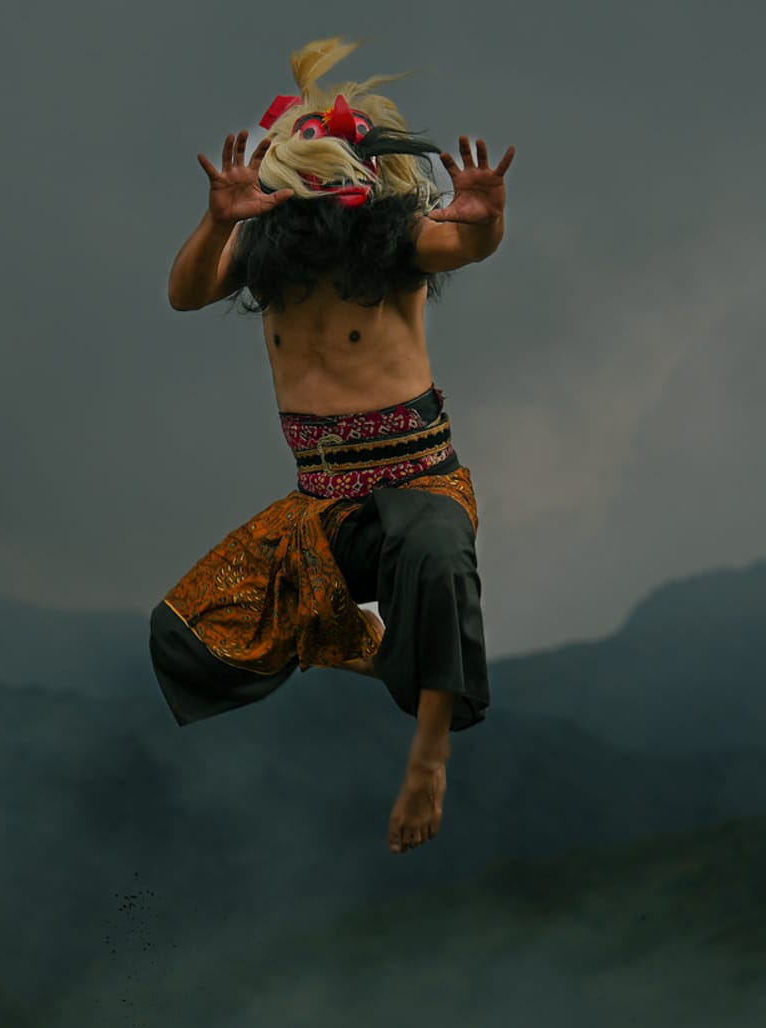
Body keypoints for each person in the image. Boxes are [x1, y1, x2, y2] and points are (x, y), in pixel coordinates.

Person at [153, 37, 516, 854]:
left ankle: (429, 755)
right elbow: (183, 293)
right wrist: (216, 221)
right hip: (319, 508)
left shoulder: (396, 241)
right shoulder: (260, 253)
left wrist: (489, 218)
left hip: (421, 487)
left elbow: (464, 244)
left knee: (434, 557)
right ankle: (379, 648)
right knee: (184, 631)